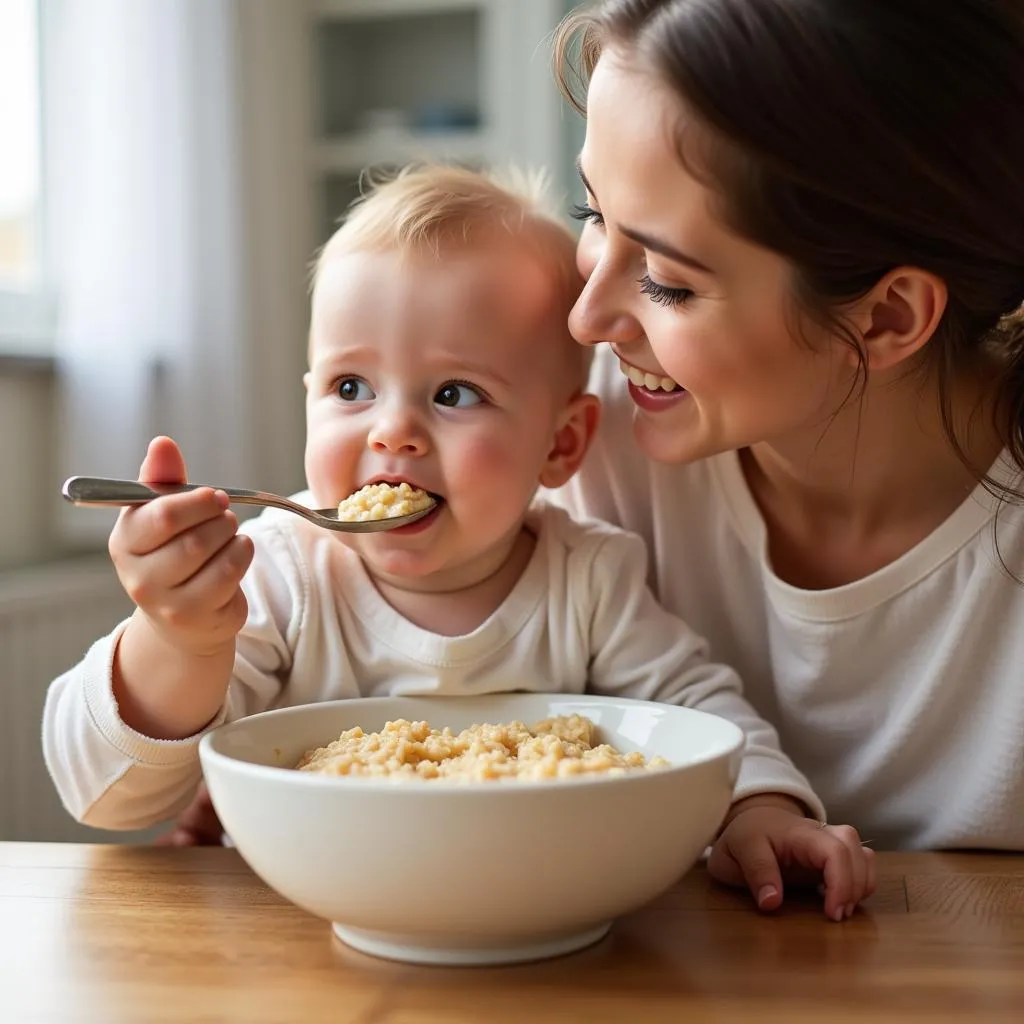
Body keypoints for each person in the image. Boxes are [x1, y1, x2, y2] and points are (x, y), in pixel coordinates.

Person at [42, 164, 873, 921]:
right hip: (301, 947)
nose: (392, 432)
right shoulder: (286, 574)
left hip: (550, 922)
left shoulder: (586, 579)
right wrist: (180, 642)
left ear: (561, 445)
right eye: (350, 387)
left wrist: (761, 809)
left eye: (453, 392)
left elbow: (700, 714)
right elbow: (101, 797)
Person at [547, 0, 1024, 862]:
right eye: (592, 217)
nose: (586, 319)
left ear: (887, 316)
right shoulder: (593, 436)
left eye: (665, 280)